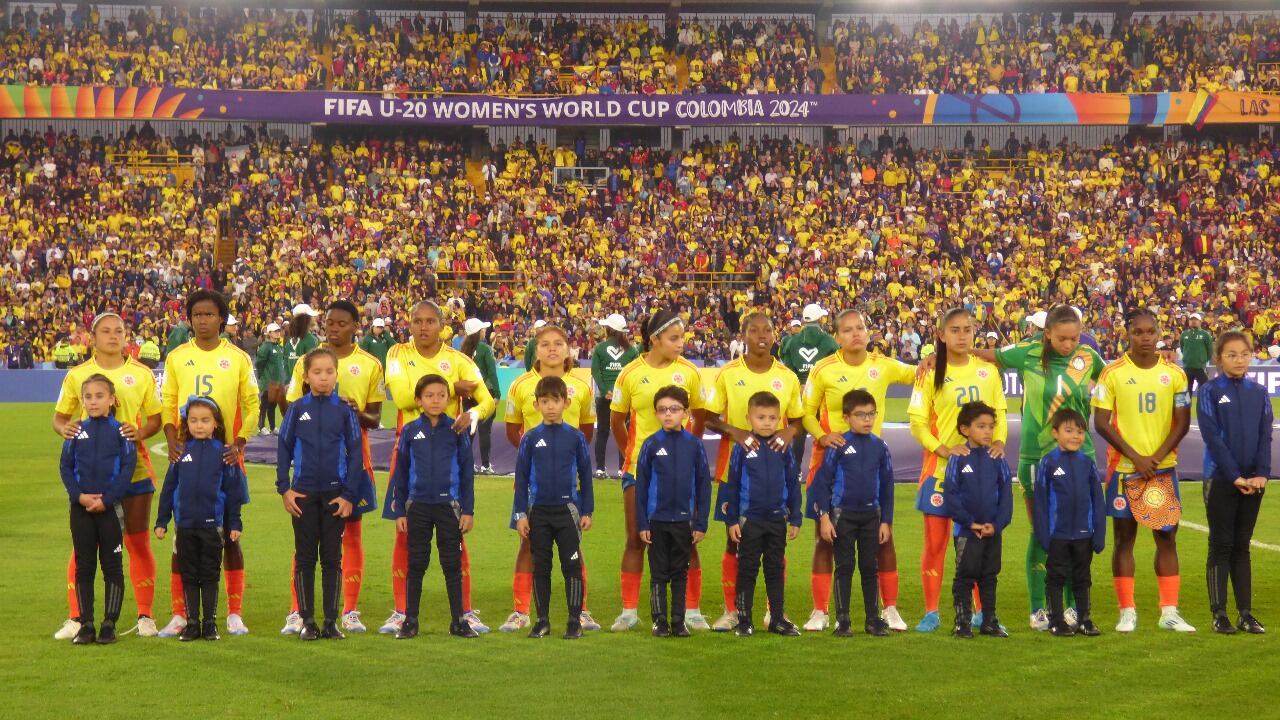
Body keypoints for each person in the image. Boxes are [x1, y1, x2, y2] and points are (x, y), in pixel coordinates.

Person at [968, 304, 1105, 631]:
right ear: (1047, 334)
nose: (1069, 344)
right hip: (1035, 455)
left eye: (1074, 338)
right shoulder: (1027, 352)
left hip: (1081, 454)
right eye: (1062, 339)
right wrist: (940, 355)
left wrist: (1162, 359)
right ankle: (1038, 608)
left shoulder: (1086, 358)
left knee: (1077, 532)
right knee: (1043, 531)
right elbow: (986, 355)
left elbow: (1119, 374)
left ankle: (1073, 607)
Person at [380, 300, 496, 635]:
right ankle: (401, 611)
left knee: (456, 536)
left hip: (448, 450)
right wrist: (452, 386)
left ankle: (465, 610)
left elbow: (486, 399)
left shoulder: (460, 359)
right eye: (418, 321)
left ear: (442, 324)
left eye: (431, 321)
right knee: (403, 535)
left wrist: (472, 413)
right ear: (410, 323)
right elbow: (403, 396)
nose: (424, 327)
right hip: (410, 451)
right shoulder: (397, 354)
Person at [800, 309, 917, 632]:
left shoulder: (883, 364)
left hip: (870, 463)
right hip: (829, 461)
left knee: (883, 537)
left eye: (861, 328)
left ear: (868, 332)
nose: (856, 333)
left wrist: (936, 358)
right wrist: (823, 436)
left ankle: (889, 608)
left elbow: (916, 374)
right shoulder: (823, 370)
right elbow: (805, 412)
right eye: (848, 329)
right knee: (824, 538)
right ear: (836, 336)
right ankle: (820, 610)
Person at [52, 313, 163, 640]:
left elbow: (155, 421)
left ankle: (145, 615)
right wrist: (66, 429)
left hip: (135, 470)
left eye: (119, 330)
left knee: (137, 543)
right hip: (92, 475)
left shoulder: (141, 374)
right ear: (93, 337)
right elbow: (60, 420)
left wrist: (139, 431)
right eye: (106, 331)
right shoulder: (77, 375)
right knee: (82, 548)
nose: (113, 336)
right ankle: (77, 617)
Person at [159, 289, 259, 637]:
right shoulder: (176, 357)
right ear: (190, 319)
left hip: (225, 458)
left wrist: (240, 442)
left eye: (209, 314)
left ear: (221, 318)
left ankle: (233, 612)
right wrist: (172, 438)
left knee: (230, 535)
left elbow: (252, 404)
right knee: (182, 537)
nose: (203, 320)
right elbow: (168, 401)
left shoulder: (238, 358)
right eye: (197, 314)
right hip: (188, 457)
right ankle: (180, 614)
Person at [280, 301, 383, 635]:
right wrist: (285, 486)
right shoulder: (306, 370)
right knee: (306, 551)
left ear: (355, 325)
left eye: (342, 323)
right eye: (329, 322)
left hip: (346, 479)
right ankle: (300, 614)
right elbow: (288, 430)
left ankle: (344, 612)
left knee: (343, 546)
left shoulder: (368, 366)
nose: (334, 327)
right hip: (307, 485)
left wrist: (350, 492)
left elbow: (371, 425)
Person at [1092, 308, 1193, 633]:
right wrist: (1136, 457)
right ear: (1127, 333)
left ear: (1159, 331)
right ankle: (1127, 612)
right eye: (1139, 332)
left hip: (1162, 471)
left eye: (1151, 332)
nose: (1146, 338)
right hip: (1124, 470)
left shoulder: (1175, 374)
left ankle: (1169, 612)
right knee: (1124, 539)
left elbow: (1182, 422)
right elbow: (1101, 423)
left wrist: (1156, 457)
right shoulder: (1112, 373)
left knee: (1166, 537)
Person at [703, 312, 804, 632]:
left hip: (773, 473)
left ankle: (774, 612)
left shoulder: (786, 376)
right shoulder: (728, 374)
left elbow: (799, 419)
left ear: (776, 335)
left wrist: (789, 433)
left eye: (768, 330)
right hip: (735, 472)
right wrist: (737, 433)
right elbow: (708, 417)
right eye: (754, 330)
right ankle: (733, 610)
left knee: (775, 548)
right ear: (742, 336)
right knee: (735, 543)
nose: (762, 335)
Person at [909, 307, 1007, 633]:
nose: (962, 335)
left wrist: (1000, 442)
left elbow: (1001, 413)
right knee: (935, 545)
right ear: (941, 335)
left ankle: (981, 612)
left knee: (977, 543)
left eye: (967, 329)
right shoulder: (930, 373)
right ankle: (931, 612)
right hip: (939, 472)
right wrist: (943, 450)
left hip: (978, 476)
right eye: (955, 330)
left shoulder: (987, 372)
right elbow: (918, 422)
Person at [609, 309, 707, 632]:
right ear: (655, 340)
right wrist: (635, 457)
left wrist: (685, 455)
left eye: (682, 337)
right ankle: (629, 611)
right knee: (636, 538)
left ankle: (691, 610)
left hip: (680, 473)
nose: (681, 344)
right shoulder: (630, 373)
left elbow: (701, 418)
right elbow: (616, 421)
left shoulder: (690, 373)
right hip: (640, 469)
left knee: (687, 540)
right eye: (674, 338)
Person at [499, 323, 599, 633]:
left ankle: (580, 611)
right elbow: (513, 429)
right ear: (536, 350)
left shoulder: (581, 386)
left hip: (567, 487)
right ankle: (521, 611)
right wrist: (537, 456)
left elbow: (586, 431)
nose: (552, 349)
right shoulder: (520, 384)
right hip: (534, 484)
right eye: (545, 344)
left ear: (569, 349)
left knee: (573, 548)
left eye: (558, 343)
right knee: (527, 544)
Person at [276, 347, 365, 641]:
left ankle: (330, 622)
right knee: (304, 559)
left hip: (334, 496)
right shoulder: (298, 409)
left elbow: (355, 453)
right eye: (317, 372)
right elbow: (284, 448)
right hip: (302, 496)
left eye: (329, 372)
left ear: (337, 375)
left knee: (331, 560)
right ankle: (308, 622)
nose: (324, 378)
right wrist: (284, 489)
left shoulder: (344, 411)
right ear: (306, 375)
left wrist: (349, 495)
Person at [388, 374, 478, 640]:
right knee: (416, 563)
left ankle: (459, 621)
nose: (435, 400)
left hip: (449, 507)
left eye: (441, 395)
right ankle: (410, 621)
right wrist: (400, 512)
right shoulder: (410, 431)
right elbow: (401, 473)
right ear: (418, 400)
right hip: (418, 507)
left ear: (449, 399)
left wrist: (468, 510)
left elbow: (466, 473)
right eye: (429, 395)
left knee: (452, 564)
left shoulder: (456, 430)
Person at [1196, 330, 1272, 634]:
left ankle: (1245, 613)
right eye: (1231, 355)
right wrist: (1234, 475)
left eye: (1244, 354)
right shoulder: (1210, 391)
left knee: (1242, 546)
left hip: (1253, 481)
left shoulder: (1258, 393)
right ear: (1219, 359)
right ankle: (1219, 614)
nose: (1239, 360)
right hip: (1221, 478)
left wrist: (1262, 473)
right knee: (1221, 545)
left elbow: (1265, 436)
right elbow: (1212, 437)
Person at [153, 396, 246, 642]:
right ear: (187, 423)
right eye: (193, 420)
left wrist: (234, 523)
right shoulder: (181, 452)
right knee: (189, 575)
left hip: (211, 527)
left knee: (209, 575)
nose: (199, 425)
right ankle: (192, 623)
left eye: (205, 420)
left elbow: (232, 492)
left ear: (215, 423)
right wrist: (162, 521)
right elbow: (168, 489)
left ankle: (210, 624)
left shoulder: (225, 453)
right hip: (185, 527)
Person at [512, 376, 594, 640]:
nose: (550, 406)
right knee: (542, 567)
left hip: (567, 512)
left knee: (571, 567)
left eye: (555, 401)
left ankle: (573, 621)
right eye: (544, 401)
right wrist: (521, 515)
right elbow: (521, 478)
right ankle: (542, 621)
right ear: (536, 405)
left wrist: (587, 511)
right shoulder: (530, 438)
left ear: (566, 403)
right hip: (539, 514)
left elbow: (585, 474)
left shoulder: (576, 437)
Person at [808, 389, 894, 637]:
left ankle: (872, 619)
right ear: (846, 417)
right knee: (844, 567)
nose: (867, 420)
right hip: (842, 516)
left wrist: (885, 521)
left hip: (871, 517)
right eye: (860, 415)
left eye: (871, 414)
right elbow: (822, 483)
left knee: (870, 567)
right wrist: (824, 517)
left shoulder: (880, 447)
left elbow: (888, 485)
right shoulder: (838, 445)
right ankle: (842, 620)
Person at [59, 374, 137, 645]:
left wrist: (106, 499)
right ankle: (87, 624)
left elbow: (127, 470)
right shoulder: (75, 431)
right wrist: (79, 497)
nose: (93, 402)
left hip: (110, 509)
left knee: (112, 565)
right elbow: (65, 468)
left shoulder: (122, 432)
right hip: (80, 510)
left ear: (112, 400)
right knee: (84, 566)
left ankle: (109, 624)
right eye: (88, 397)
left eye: (99, 396)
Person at [721, 391, 802, 637]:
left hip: (777, 519)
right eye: (761, 417)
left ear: (780, 419)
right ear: (749, 418)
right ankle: (744, 621)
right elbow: (732, 485)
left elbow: (793, 482)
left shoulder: (783, 447)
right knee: (747, 569)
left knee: (775, 569)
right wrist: (732, 519)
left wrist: (795, 516)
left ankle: (777, 618)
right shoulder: (742, 448)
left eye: (772, 417)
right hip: (750, 521)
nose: (767, 422)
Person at [635, 386, 713, 637]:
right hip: (656, 520)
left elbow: (703, 485)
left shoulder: (694, 445)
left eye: (674, 409)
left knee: (680, 572)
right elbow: (642, 487)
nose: (668, 414)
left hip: (683, 522)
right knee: (659, 573)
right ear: (656, 414)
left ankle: (679, 621)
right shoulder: (650, 444)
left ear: (686, 413)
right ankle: (660, 621)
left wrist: (700, 523)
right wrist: (642, 523)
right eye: (662, 410)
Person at [942, 401, 1013, 639]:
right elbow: (950, 494)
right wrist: (969, 522)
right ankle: (962, 622)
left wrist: (997, 524)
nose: (987, 432)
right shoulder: (958, 458)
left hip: (992, 531)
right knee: (965, 576)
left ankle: (989, 621)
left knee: (990, 576)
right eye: (981, 426)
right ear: (965, 429)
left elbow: (1006, 495)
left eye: (991, 427)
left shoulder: (997, 457)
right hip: (967, 531)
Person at [1034, 408, 1105, 638]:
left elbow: (1097, 499)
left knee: (1083, 578)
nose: (1075, 436)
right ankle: (1056, 620)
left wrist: (1099, 533)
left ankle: (1084, 619)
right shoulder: (1048, 463)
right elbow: (1041, 503)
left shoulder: (1087, 463)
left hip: (1083, 535)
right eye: (1069, 431)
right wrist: (1044, 536)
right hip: (1058, 536)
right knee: (1056, 577)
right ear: (1055, 433)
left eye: (1080, 431)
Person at [779, 303, 838, 466]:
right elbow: (835, 369)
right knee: (826, 431)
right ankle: (827, 468)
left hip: (800, 393)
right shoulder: (829, 341)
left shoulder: (791, 341)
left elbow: (788, 370)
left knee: (799, 432)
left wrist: (801, 385)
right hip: (823, 394)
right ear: (819, 319)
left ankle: (795, 469)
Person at [590, 314, 639, 478]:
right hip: (624, 398)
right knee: (624, 431)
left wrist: (605, 391)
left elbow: (596, 371)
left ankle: (600, 469)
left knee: (603, 432)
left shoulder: (599, 348)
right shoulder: (631, 350)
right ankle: (622, 468)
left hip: (604, 397)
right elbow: (635, 374)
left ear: (608, 329)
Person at [460, 317, 501, 475]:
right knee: (485, 431)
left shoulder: (462, 351)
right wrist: (497, 393)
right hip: (484, 393)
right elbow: (492, 372)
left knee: (469, 430)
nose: (485, 331)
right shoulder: (485, 349)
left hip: (468, 395)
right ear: (478, 332)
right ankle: (485, 465)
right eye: (483, 329)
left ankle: (467, 464)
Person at [255, 322, 287, 435]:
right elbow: (259, 364)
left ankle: (273, 427)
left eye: (279, 331)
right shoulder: (265, 347)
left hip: (277, 381)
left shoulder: (278, 347)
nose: (278, 333)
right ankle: (261, 427)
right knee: (264, 404)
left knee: (272, 405)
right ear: (269, 333)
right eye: (275, 331)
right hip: (268, 381)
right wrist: (263, 377)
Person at [283, 303, 321, 378]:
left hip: (292, 386)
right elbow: (315, 365)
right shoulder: (311, 340)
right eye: (311, 316)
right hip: (306, 386)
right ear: (305, 319)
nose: (314, 318)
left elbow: (286, 365)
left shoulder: (289, 341)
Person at [1180, 312, 1213, 395]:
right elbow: (1182, 348)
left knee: (1204, 391)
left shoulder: (1205, 334)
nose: (1194, 321)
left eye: (1196, 319)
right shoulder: (1184, 334)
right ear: (1189, 322)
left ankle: (1202, 407)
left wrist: (1203, 360)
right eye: (1192, 319)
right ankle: (1187, 408)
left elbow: (1210, 350)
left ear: (1200, 321)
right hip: (1187, 367)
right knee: (1187, 391)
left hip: (1200, 367)